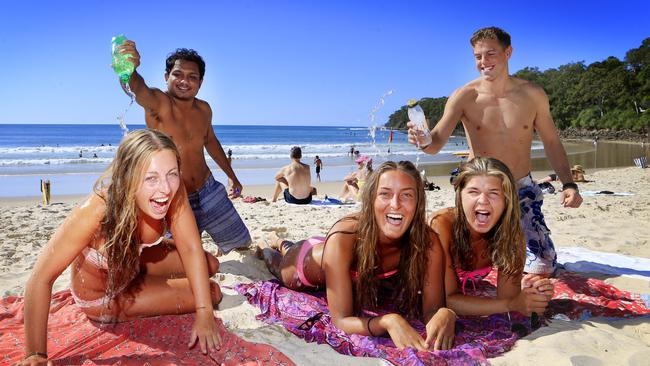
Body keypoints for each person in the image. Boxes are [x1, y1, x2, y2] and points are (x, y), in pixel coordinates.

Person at [20, 129, 222, 365]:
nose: (165, 189)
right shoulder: (97, 209)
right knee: (210, 293)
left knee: (211, 263)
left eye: (172, 174)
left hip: (135, 265)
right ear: (128, 177)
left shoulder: (172, 192)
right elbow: (40, 278)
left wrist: (204, 313)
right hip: (106, 294)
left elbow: (190, 247)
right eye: (151, 178)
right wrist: (36, 354)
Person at [407, 26, 583, 276]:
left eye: (490, 54)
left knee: (542, 268)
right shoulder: (464, 96)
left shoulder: (532, 95)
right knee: (457, 266)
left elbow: (552, 142)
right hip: (480, 190)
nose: (483, 62)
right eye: (478, 57)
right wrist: (422, 140)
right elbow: (435, 143)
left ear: (508, 52)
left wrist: (569, 184)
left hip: (520, 189)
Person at [257, 161, 456, 350]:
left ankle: (280, 242)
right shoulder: (345, 235)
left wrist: (445, 313)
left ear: (418, 202)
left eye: (406, 195)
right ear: (371, 199)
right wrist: (386, 321)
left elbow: (433, 309)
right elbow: (341, 320)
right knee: (277, 262)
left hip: (333, 254)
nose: (395, 204)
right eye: (385, 194)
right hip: (304, 264)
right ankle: (268, 244)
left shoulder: (427, 241)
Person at [117, 40, 251, 254]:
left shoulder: (204, 109)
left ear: (200, 82)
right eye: (177, 74)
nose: (184, 81)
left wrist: (232, 176)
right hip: (174, 198)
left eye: (192, 77)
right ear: (166, 77)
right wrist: (130, 70)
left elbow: (211, 142)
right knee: (177, 259)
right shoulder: (160, 103)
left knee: (242, 246)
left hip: (209, 190)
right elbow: (137, 89)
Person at [429, 157, 554, 317]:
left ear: (506, 199)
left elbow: (508, 298)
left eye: (494, 193)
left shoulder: (510, 231)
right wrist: (512, 304)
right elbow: (445, 301)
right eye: (473, 192)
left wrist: (533, 296)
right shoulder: (441, 226)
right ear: (460, 196)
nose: (483, 201)